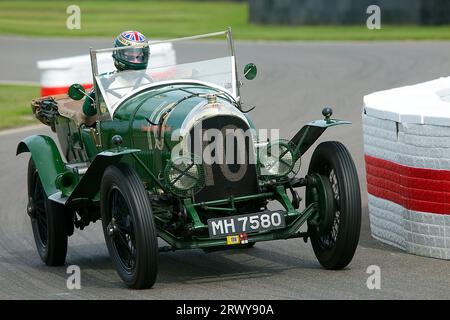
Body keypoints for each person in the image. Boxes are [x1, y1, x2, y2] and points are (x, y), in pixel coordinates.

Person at [83, 30, 150, 116]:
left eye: (139, 57)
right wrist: (97, 92)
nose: (135, 61)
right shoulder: (105, 82)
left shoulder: (148, 81)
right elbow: (87, 111)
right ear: (118, 55)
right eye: (130, 57)